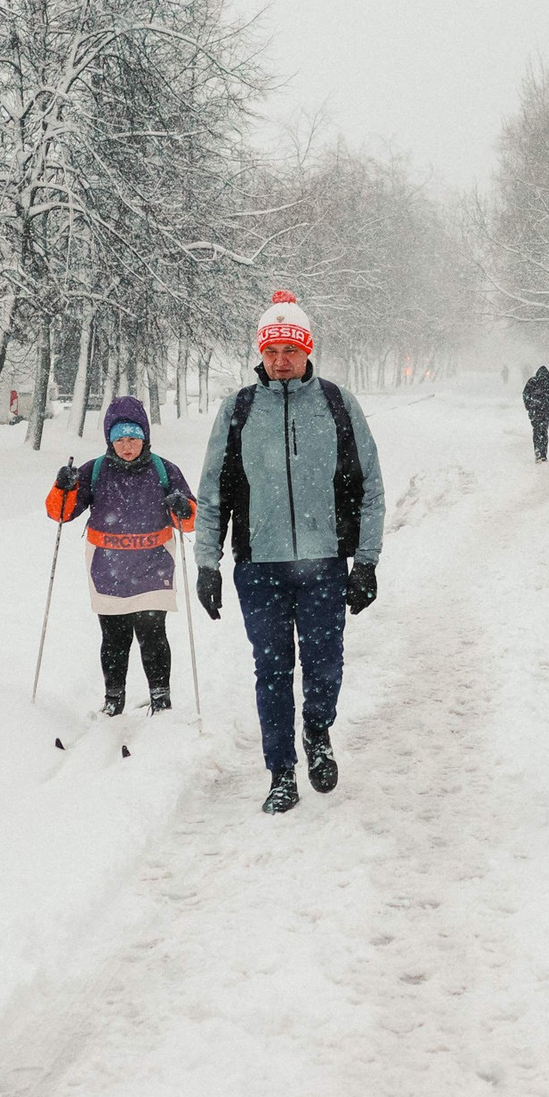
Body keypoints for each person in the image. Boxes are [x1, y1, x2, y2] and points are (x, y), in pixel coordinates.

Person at [194, 290, 386, 815]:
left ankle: (317, 732)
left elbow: (370, 485)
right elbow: (212, 492)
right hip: (259, 567)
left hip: (324, 564)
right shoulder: (238, 410)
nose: (281, 362)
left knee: (324, 665)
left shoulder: (337, 403)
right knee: (272, 671)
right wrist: (207, 564)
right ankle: (281, 771)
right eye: (272, 351)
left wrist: (366, 561)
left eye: (291, 351)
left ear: (307, 352)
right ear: (261, 353)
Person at [46, 396, 196, 717]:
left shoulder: (164, 470)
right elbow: (61, 513)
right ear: (109, 440)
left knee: (153, 637)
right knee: (114, 639)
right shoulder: (95, 470)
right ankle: (114, 700)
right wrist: (63, 487)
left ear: (145, 438)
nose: (127, 446)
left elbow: (191, 518)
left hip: (153, 567)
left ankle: (161, 700)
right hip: (108, 569)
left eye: (133, 438)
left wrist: (183, 508)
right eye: (120, 439)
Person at [521, 364, 549, 462]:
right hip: (546, 411)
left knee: (536, 431)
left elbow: (525, 394)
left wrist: (529, 405)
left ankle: (537, 451)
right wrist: (546, 397)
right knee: (544, 432)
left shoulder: (532, 381)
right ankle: (543, 454)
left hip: (535, 411)